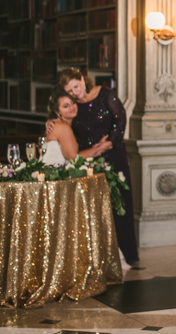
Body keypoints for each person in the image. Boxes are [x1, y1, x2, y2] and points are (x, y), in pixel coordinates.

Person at [55, 68, 139, 266]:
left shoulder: (104, 93)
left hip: (114, 153)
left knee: (120, 203)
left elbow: (121, 120)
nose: (75, 92)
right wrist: (52, 122)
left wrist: (109, 142)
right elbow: (62, 118)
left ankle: (127, 253)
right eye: (70, 91)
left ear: (82, 79)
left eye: (76, 86)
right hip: (89, 159)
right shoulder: (73, 107)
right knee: (97, 206)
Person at [43, 87, 109, 165]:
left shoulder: (66, 124)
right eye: (66, 106)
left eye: (73, 103)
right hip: (53, 173)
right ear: (57, 111)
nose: (72, 107)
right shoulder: (62, 127)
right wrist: (100, 147)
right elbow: (75, 158)